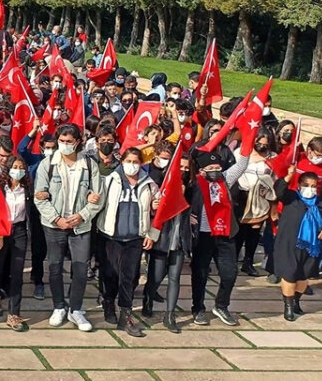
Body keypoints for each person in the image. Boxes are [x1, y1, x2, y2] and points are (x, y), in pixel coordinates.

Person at [34, 123, 103, 333]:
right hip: (54, 225)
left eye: (69, 142)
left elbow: (98, 198)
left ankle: (76, 308)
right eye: (61, 142)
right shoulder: (48, 164)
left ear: (78, 142)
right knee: (55, 267)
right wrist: (56, 219)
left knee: (81, 267)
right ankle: (58, 306)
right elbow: (40, 196)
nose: (65, 146)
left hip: (80, 226)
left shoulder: (90, 165)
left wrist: (82, 215)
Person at [95, 147, 157, 338]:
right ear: (122, 161)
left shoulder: (149, 183)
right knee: (110, 275)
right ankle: (108, 303)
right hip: (110, 236)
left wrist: (152, 234)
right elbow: (98, 204)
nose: (132, 165)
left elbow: (159, 212)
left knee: (129, 277)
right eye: (129, 161)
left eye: (136, 162)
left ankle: (126, 314)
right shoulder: (110, 181)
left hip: (135, 238)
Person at [187, 144, 245, 326]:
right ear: (202, 170)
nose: (215, 171)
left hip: (224, 234)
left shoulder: (225, 180)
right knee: (200, 274)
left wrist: (249, 135)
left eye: (217, 168)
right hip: (202, 235)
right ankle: (198, 308)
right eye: (210, 169)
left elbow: (242, 164)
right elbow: (181, 202)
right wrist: (188, 216)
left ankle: (221, 305)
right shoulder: (194, 183)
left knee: (229, 273)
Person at [143, 144, 193, 333]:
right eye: (180, 167)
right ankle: (148, 298)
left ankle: (169, 315)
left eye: (187, 168)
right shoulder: (162, 184)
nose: (184, 171)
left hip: (179, 239)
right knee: (155, 276)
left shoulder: (190, 187)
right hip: (162, 237)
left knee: (175, 278)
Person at [271, 163, 322, 321]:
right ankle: (288, 306)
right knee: (289, 274)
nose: (310, 189)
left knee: (303, 276)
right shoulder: (292, 197)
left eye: (313, 186)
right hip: (289, 244)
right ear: (299, 185)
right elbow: (279, 191)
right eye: (306, 185)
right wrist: (288, 176)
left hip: (311, 246)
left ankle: (296, 301)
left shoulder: (321, 203)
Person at [0, 155, 31, 332]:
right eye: (15, 166)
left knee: (17, 272)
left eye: (22, 167)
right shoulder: (0, 188)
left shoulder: (27, 189)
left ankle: (14, 313)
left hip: (19, 230)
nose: (18, 170)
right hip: (1, 229)